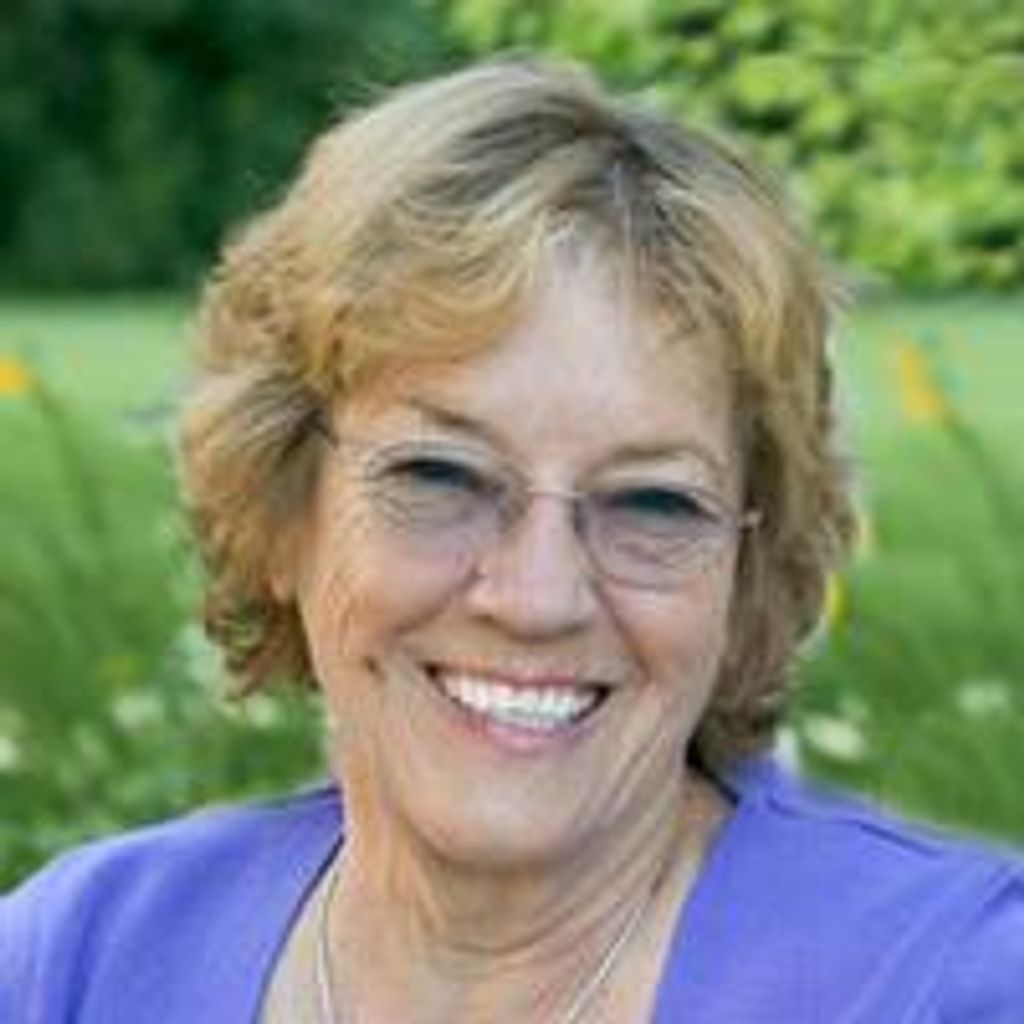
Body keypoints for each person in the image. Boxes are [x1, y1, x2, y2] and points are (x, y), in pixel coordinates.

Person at [2, 55, 1022, 1024]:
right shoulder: (77, 964)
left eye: (652, 504)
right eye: (440, 475)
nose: (537, 598)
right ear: (282, 506)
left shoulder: (953, 986)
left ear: (744, 571)